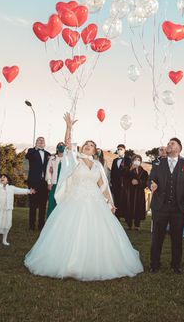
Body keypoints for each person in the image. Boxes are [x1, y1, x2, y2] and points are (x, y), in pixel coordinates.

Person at [24, 113, 143, 281]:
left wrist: (110, 202)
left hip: (95, 200)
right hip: (75, 199)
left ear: (95, 150)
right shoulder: (75, 159)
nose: (88, 146)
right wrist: (69, 128)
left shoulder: (97, 165)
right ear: (82, 148)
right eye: (86, 144)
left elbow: (102, 185)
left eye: (91, 145)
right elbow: (67, 145)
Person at [149, 137, 184, 274]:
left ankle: (176, 265)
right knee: (157, 238)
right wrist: (151, 184)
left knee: (177, 238)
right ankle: (154, 264)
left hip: (178, 208)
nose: (168, 145)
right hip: (160, 207)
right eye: (168, 143)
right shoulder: (158, 163)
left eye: (172, 143)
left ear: (179, 148)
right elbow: (151, 178)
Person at [25, 136, 50, 230]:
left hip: (44, 183)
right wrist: (35, 148)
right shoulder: (31, 151)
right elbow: (27, 156)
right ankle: (31, 226)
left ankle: (41, 226)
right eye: (39, 140)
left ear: (45, 143)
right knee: (33, 205)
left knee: (43, 206)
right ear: (36, 142)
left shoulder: (48, 154)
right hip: (33, 182)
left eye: (42, 140)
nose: (41, 142)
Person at [123, 154, 148, 230]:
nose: (137, 161)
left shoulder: (144, 172)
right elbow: (124, 178)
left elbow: (145, 182)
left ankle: (137, 225)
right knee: (128, 207)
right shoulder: (127, 169)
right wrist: (131, 169)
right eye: (135, 160)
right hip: (129, 192)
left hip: (139, 193)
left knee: (138, 208)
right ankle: (129, 225)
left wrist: (139, 182)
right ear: (132, 161)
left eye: (138, 160)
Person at [46, 142, 66, 218]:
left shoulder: (67, 159)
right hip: (54, 183)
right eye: (60, 145)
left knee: (61, 203)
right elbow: (48, 171)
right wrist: (49, 182)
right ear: (57, 148)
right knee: (52, 202)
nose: (61, 146)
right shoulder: (52, 158)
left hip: (64, 184)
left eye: (63, 145)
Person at [110, 144, 130, 218]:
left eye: (121, 149)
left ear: (124, 150)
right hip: (116, 185)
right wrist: (112, 182)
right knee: (116, 201)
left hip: (125, 185)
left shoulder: (128, 159)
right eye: (118, 149)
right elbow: (112, 172)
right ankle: (117, 216)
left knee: (125, 201)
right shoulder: (115, 160)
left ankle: (127, 218)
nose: (119, 150)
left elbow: (129, 172)